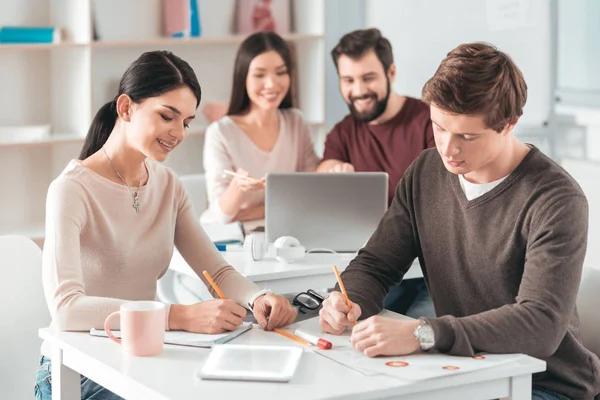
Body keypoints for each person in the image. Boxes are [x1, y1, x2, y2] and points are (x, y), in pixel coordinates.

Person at [318, 42, 600, 400]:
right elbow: (376, 264)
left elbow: (540, 323)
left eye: (466, 136)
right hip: (465, 371)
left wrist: (424, 333)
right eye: (438, 127)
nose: (448, 149)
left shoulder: (555, 198)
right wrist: (350, 300)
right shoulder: (425, 171)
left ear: (509, 123)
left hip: (545, 384)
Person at [35, 51, 297, 400]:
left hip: (141, 360)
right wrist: (179, 316)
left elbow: (216, 273)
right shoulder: (71, 190)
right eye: (167, 116)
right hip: (79, 372)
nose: (179, 133)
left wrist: (257, 297)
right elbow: (66, 310)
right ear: (126, 108)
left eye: (186, 122)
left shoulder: (168, 185)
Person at [317, 28, 435, 319]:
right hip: (377, 271)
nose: (358, 90)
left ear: (390, 72)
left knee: (425, 341)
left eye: (368, 78)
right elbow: (320, 174)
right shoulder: (342, 133)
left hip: (430, 274)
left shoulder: (429, 121)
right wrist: (330, 171)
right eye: (348, 80)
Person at [201, 31, 319, 225]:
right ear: (243, 77)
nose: (271, 84)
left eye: (281, 72)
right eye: (259, 75)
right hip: (232, 239)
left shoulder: (296, 122)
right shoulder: (220, 132)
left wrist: (255, 211)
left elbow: (310, 193)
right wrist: (238, 188)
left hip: (283, 229)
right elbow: (222, 214)